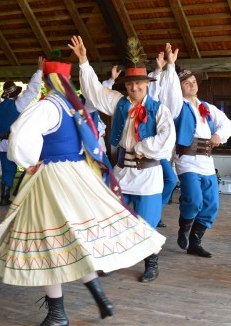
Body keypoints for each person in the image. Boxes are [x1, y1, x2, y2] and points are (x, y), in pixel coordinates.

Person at [0, 54, 166, 326]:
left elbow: (20, 135)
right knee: (72, 240)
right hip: (77, 175)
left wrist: (28, 160)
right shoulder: (74, 106)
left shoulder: (47, 107)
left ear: (47, 82)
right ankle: (100, 298)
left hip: (53, 178)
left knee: (47, 243)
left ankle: (58, 314)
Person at [73, 36, 175, 283]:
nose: (135, 88)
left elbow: (167, 138)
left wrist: (142, 146)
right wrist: (84, 61)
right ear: (126, 85)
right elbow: (94, 93)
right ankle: (113, 260)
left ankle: (151, 263)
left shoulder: (159, 109)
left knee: (147, 223)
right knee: (116, 219)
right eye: (130, 84)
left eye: (139, 84)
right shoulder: (119, 104)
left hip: (148, 176)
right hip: (122, 173)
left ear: (147, 84)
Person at [163, 66, 231, 258]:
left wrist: (218, 134)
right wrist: (169, 65)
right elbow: (170, 94)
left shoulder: (207, 107)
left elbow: (227, 123)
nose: (192, 85)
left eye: (193, 82)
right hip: (186, 160)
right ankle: (183, 228)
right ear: (179, 87)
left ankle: (195, 242)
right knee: (194, 200)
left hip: (207, 162)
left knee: (212, 205)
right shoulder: (177, 106)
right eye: (187, 83)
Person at [0, 60, 43, 206]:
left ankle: (4, 198)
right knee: (29, 164)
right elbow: (32, 91)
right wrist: (39, 71)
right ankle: (21, 194)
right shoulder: (17, 104)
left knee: (8, 170)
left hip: (2, 144)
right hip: (16, 143)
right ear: (16, 94)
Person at [149, 44, 182, 224]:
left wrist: (170, 66)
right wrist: (161, 68)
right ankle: (154, 213)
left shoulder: (169, 108)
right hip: (151, 145)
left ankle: (156, 212)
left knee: (168, 180)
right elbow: (154, 92)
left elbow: (172, 95)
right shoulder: (149, 99)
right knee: (167, 179)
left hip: (163, 147)